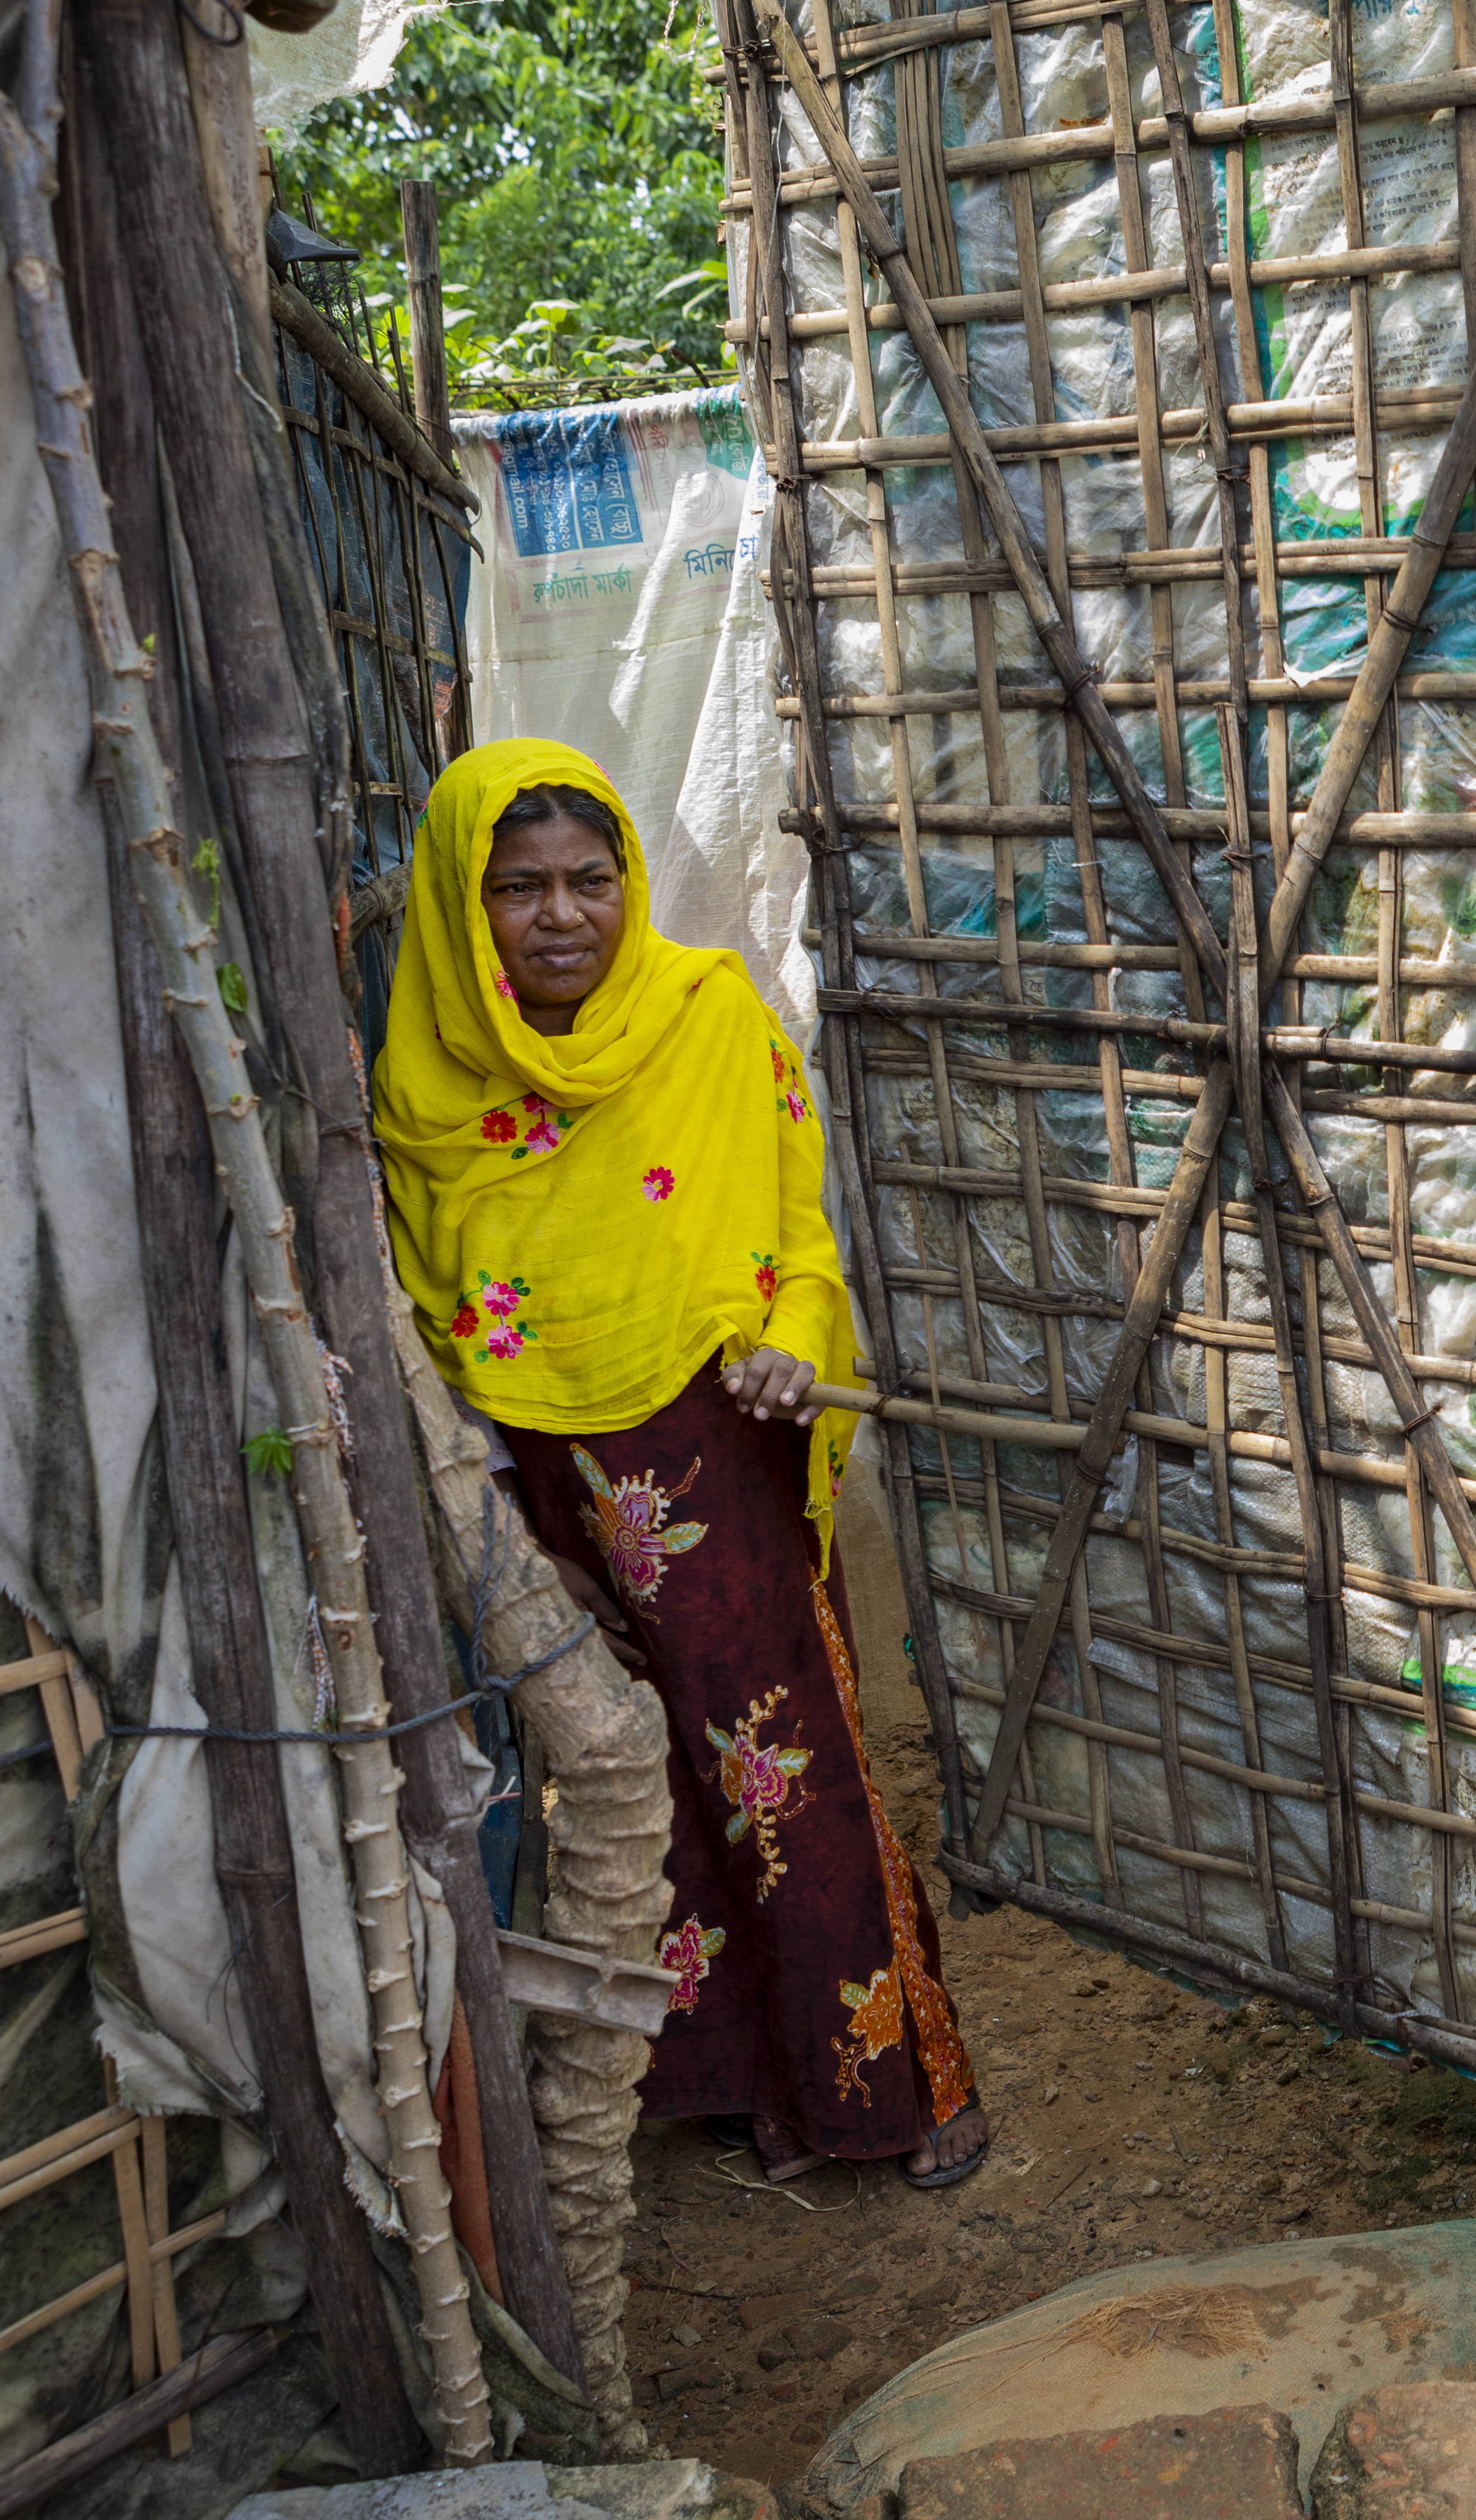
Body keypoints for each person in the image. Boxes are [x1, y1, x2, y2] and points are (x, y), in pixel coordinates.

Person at [378, 737, 989, 2189]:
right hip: (539, 1485)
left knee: (785, 1773)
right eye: (517, 888)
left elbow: (799, 1233)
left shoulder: (710, 1021)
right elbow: (414, 1302)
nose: (562, 916)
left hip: (718, 1457)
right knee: (631, 1783)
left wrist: (789, 1338)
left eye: (591, 880)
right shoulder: (420, 1088)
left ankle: (896, 2085)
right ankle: (728, 2082)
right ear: (464, 910)